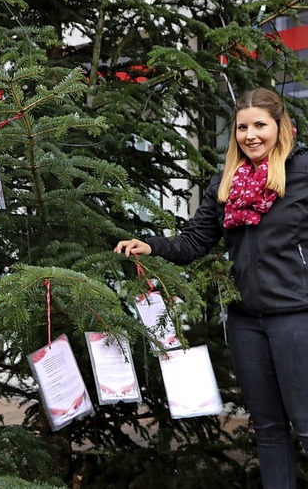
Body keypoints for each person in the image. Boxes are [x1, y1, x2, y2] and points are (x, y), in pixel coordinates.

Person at [115, 87, 308, 488]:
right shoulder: (226, 184)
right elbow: (193, 243)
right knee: (269, 431)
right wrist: (150, 245)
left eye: (260, 125)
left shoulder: (302, 172)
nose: (250, 135)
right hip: (245, 324)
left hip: (297, 319)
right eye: (242, 127)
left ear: (280, 127)